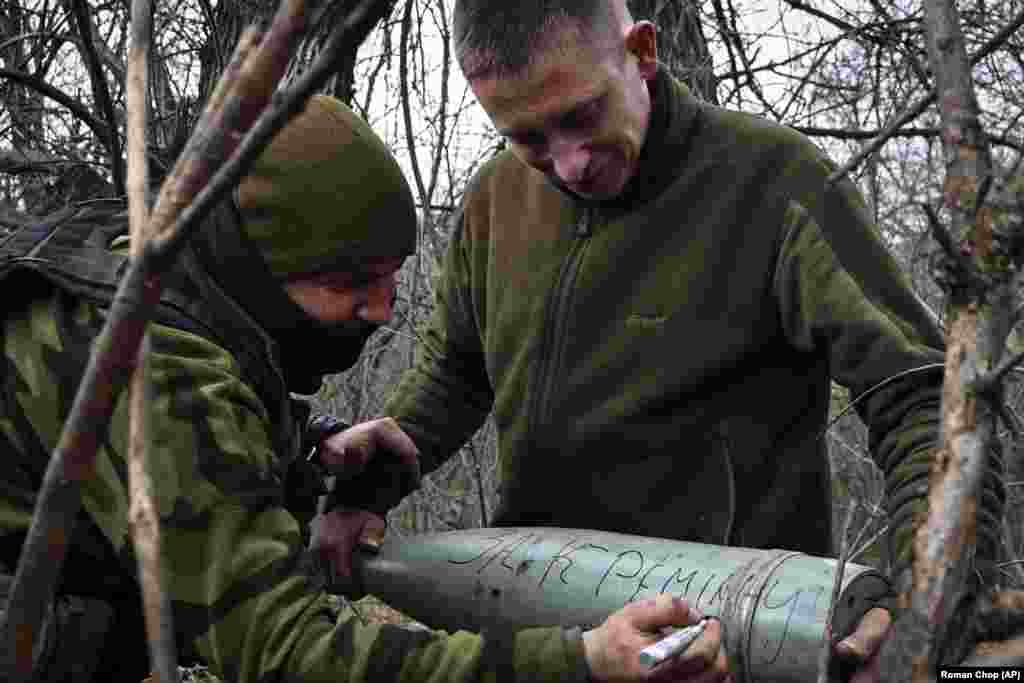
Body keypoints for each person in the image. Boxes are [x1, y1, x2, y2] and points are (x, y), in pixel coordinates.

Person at [321, 0, 1007, 679]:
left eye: (580, 116)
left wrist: (926, 599)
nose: (568, 165)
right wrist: (366, 487)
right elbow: (455, 370)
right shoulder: (495, 200)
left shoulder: (775, 181)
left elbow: (921, 396)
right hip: (545, 642)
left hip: (739, 641)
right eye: (528, 138)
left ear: (642, 53)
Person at [0, 94, 726, 682]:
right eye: (349, 282)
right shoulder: (147, 358)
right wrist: (578, 663)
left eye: (389, 277)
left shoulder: (155, 272)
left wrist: (306, 455)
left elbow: (168, 466)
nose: (381, 311)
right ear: (253, 267)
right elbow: (286, 654)